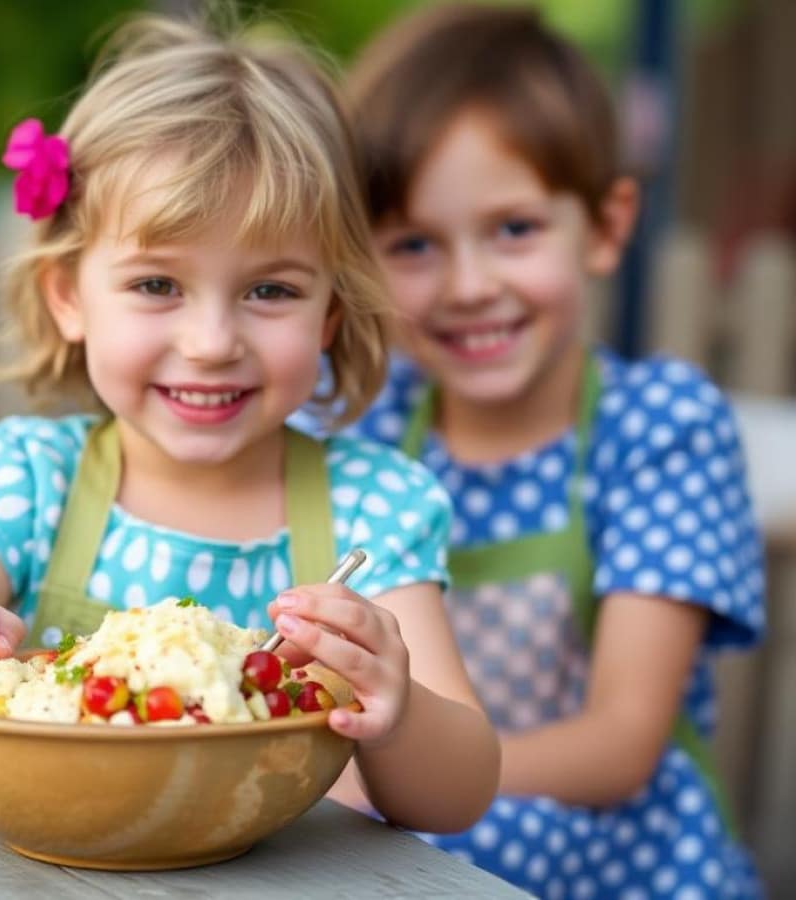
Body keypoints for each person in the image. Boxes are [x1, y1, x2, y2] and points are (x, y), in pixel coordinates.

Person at [0, 11, 500, 833]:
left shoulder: (372, 507)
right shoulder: (33, 482)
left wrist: (401, 709)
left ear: (330, 312)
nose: (212, 343)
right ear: (69, 296)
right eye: (156, 286)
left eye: (271, 291)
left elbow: (460, 793)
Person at [301, 3, 764, 895]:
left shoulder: (657, 429)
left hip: (621, 869)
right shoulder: (360, 418)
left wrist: (402, 781)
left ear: (604, 225)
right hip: (408, 857)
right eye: (415, 245)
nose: (470, 286)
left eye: (513, 229)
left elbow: (620, 746)